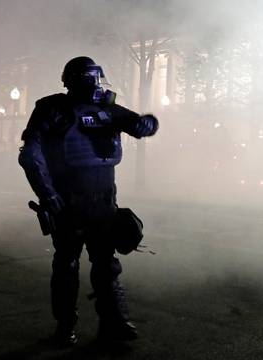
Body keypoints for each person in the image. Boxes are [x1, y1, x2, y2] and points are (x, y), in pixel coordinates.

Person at [18, 56, 158, 345]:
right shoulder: (52, 109)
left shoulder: (107, 109)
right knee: (67, 265)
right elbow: (30, 155)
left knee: (106, 264)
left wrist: (148, 123)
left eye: (95, 78)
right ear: (73, 80)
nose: (94, 84)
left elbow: (140, 124)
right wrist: (49, 195)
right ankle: (66, 326)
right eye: (88, 78)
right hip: (68, 203)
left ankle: (113, 323)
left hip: (103, 202)